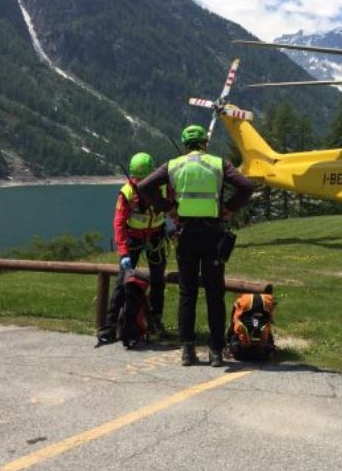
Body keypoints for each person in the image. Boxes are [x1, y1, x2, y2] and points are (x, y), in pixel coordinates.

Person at [138, 125, 254, 367]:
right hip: (213, 235)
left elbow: (144, 186)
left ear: (184, 144)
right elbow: (246, 186)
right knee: (215, 293)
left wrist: (167, 209)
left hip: (186, 235)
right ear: (205, 143)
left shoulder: (173, 165)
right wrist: (229, 208)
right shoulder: (219, 164)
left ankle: (188, 350)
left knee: (187, 293)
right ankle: (215, 352)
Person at [96, 152, 170, 345]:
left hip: (156, 236)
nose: (139, 182)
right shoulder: (127, 192)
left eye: (142, 177)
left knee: (158, 280)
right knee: (123, 281)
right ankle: (110, 325)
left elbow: (173, 206)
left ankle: (155, 319)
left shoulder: (162, 187)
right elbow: (119, 223)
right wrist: (123, 252)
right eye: (137, 178)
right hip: (134, 239)